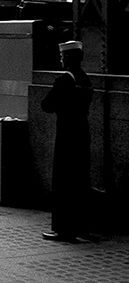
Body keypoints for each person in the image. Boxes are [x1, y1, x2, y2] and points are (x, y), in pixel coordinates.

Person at [41, 40, 95, 242]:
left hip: (66, 135)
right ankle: (82, 227)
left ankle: (64, 230)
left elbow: (47, 105)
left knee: (63, 181)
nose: (61, 60)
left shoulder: (65, 80)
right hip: (83, 133)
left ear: (67, 58)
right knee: (81, 180)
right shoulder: (85, 79)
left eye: (63, 57)